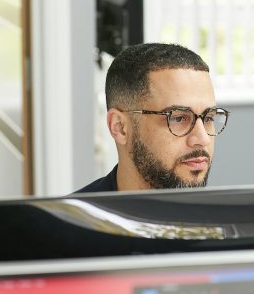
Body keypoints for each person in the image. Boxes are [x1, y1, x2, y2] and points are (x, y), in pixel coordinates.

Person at [75, 43, 229, 193]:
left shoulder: (230, 218)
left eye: (208, 118)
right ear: (120, 127)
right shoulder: (66, 218)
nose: (203, 139)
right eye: (179, 118)